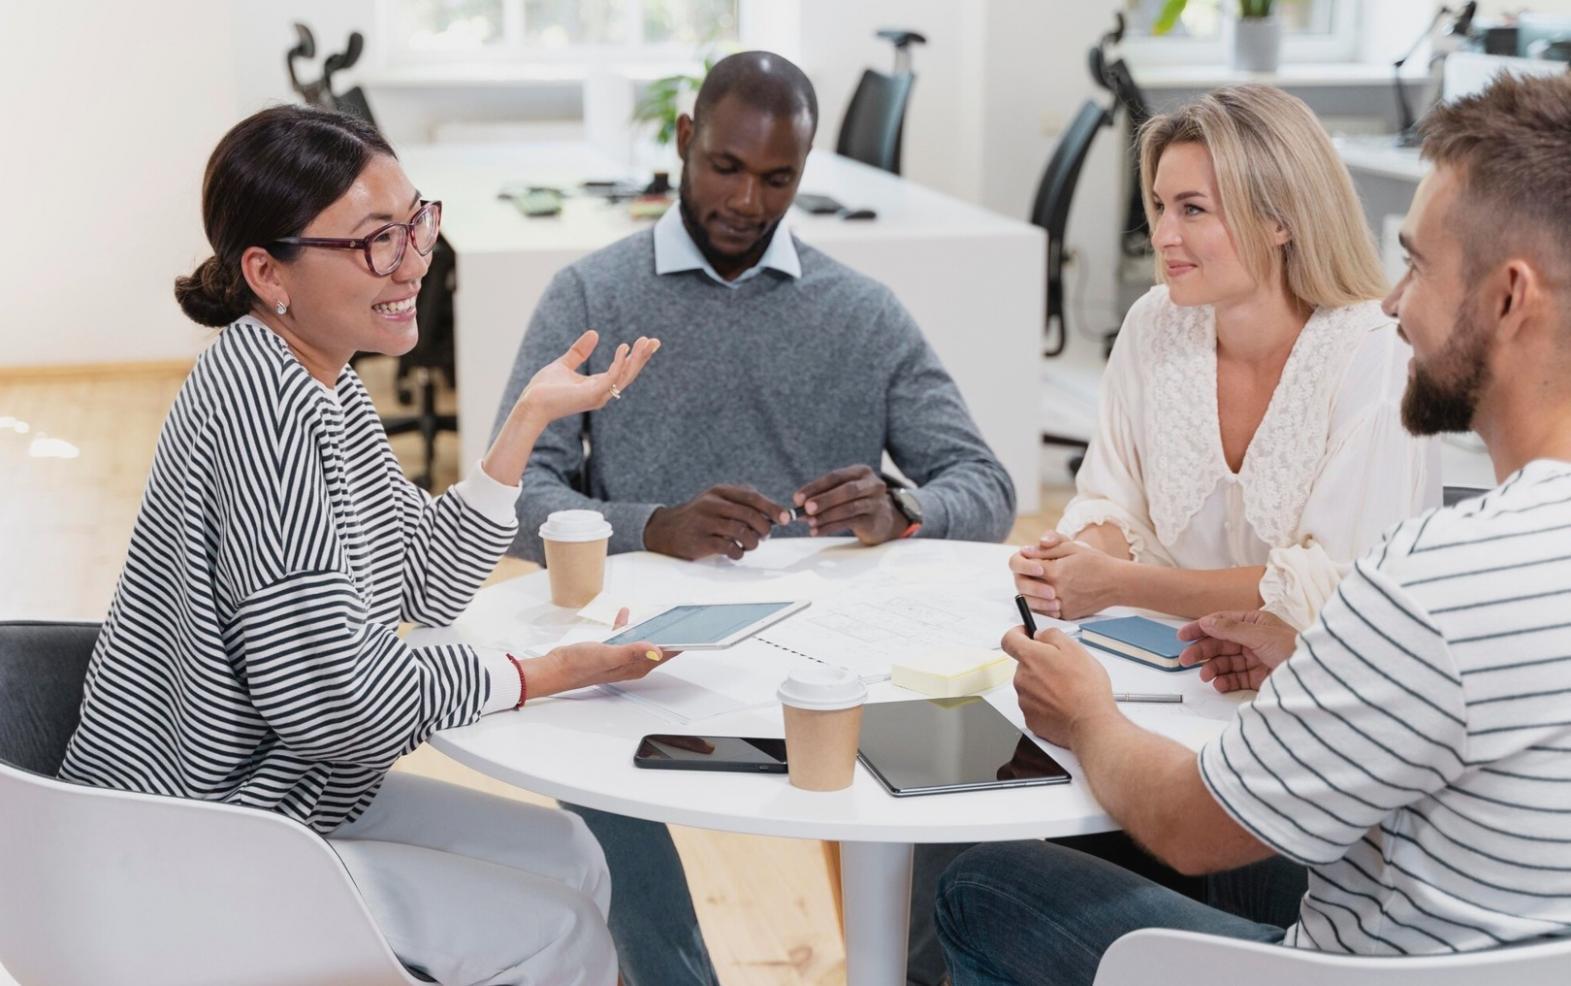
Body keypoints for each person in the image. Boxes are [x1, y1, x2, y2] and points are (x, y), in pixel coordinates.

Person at [937, 71, 1571, 985]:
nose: (1393, 303)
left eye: (1419, 266)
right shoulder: (1474, 576)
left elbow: (1193, 828)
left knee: (977, 884)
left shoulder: (1425, 585)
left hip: (1334, 967)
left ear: (1509, 298)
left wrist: (1087, 716)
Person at [57, 105, 669, 986]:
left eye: (416, 222)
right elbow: (341, 703)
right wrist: (542, 674)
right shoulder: (266, 411)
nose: (414, 262)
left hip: (274, 804)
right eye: (375, 241)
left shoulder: (319, 380)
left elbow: (422, 579)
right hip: (190, 839)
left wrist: (527, 417)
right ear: (269, 271)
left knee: (571, 854)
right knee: (554, 931)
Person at [491, 51, 1014, 986]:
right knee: (601, 812)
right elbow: (518, 496)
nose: (746, 199)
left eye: (777, 179)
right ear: (686, 142)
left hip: (839, 648)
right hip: (642, 649)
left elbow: (983, 485)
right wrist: (653, 525)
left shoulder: (861, 312)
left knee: (951, 783)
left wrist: (905, 509)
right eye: (725, 167)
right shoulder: (593, 295)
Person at [1011, 84, 1439, 631]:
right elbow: (1115, 503)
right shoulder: (1154, 324)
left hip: (1321, 685)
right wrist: (1071, 558)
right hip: (1171, 663)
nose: (1163, 235)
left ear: (1279, 220)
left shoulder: (1376, 353)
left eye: (1193, 210)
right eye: (1162, 206)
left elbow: (1339, 582)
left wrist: (1117, 584)